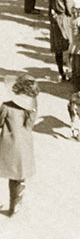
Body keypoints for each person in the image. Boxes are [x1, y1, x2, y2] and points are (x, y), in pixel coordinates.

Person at [0, 75, 39, 216]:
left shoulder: (7, 106)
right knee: (18, 176)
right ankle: (15, 206)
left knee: (6, 172)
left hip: (8, 145)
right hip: (25, 146)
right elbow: (30, 125)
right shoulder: (31, 109)